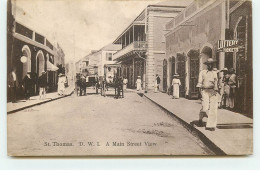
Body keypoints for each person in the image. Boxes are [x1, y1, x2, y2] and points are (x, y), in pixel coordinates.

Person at [196, 58, 218, 131]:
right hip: (204, 91)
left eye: (211, 64)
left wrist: (216, 90)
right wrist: (199, 93)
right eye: (209, 64)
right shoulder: (203, 72)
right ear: (207, 65)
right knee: (205, 107)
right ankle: (200, 119)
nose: (210, 66)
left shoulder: (215, 73)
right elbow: (199, 83)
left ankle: (211, 125)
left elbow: (216, 82)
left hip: (212, 91)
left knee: (213, 108)